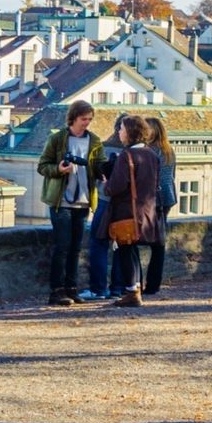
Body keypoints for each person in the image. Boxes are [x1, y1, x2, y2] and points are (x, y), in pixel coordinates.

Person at [37, 100, 107, 307]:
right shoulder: (58, 139)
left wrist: (104, 172)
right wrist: (58, 169)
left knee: (76, 248)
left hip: (83, 201)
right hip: (61, 200)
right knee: (62, 246)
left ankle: (71, 288)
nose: (87, 123)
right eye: (84, 119)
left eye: (89, 119)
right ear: (74, 118)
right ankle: (57, 290)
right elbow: (43, 166)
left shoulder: (94, 141)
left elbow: (99, 165)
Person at [99, 115, 161, 308]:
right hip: (147, 210)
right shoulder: (152, 154)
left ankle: (132, 291)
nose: (119, 132)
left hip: (126, 211)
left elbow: (116, 186)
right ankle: (135, 289)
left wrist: (105, 184)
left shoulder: (126, 156)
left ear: (131, 132)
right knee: (131, 251)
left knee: (126, 251)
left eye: (122, 129)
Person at [113, 116, 175, 298]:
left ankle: (135, 283)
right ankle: (153, 284)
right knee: (158, 244)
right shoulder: (169, 151)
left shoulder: (149, 152)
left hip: (151, 200)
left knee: (134, 240)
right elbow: (171, 176)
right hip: (166, 198)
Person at [80, 121, 127, 303]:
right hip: (124, 205)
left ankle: (98, 288)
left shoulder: (104, 149)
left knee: (98, 243)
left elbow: (94, 174)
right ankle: (118, 287)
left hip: (105, 201)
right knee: (123, 245)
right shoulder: (136, 152)